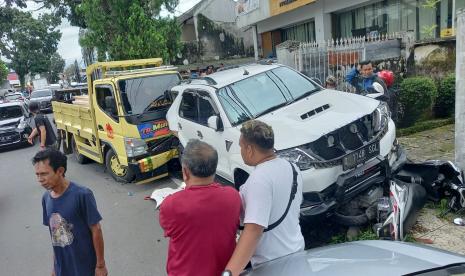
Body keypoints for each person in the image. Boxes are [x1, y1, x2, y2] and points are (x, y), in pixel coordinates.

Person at [223, 120, 305, 276]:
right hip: (297, 252)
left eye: (241, 147)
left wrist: (229, 273)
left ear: (249, 149)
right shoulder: (292, 168)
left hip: (274, 265)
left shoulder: (259, 180)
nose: (240, 151)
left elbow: (253, 231)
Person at [159, 139, 241, 276]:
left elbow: (168, 228)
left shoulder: (171, 204)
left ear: (185, 172)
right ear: (214, 168)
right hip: (225, 271)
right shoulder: (233, 196)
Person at [33, 149, 107, 276]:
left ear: (60, 171)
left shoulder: (82, 194)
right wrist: (55, 267)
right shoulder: (46, 199)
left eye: (44, 174)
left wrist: (100, 265)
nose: (40, 179)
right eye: (37, 174)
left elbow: (96, 230)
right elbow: (54, 237)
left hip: (86, 267)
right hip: (63, 268)